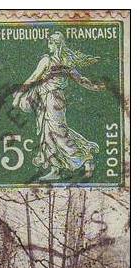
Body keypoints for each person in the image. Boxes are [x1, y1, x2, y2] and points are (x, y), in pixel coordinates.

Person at [13, 32, 105, 181]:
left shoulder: (47, 60)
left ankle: (85, 159)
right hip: (51, 100)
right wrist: (95, 86)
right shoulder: (66, 61)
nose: (48, 45)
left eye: (50, 43)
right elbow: (81, 79)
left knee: (57, 132)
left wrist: (18, 95)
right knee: (49, 132)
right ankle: (55, 169)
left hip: (52, 99)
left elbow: (33, 78)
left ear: (55, 44)